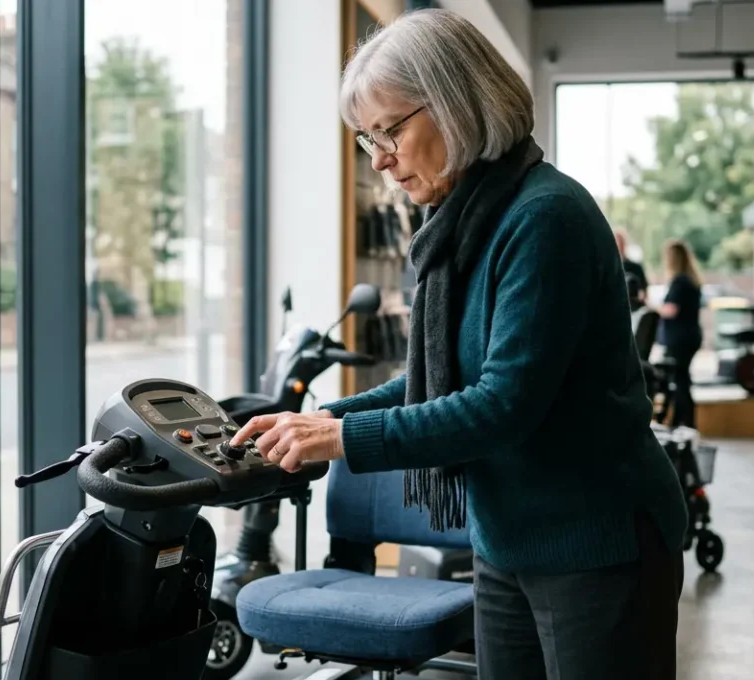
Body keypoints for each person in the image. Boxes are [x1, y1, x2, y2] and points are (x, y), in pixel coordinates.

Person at [229, 9, 687, 679]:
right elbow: (436, 387)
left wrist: (339, 441)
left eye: (390, 131)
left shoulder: (543, 217)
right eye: (366, 139)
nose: (380, 159)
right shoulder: (459, 225)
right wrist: (325, 421)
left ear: (457, 103)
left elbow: (501, 405)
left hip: (597, 541)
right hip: (507, 539)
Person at [657, 239, 704, 428]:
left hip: (680, 338)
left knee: (680, 381)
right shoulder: (691, 280)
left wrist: (651, 307)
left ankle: (686, 424)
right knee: (681, 380)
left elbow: (671, 310)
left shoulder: (680, 282)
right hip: (690, 336)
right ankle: (681, 422)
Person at [614, 228, 649, 300]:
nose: (618, 245)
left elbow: (644, 292)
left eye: (621, 242)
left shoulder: (636, 267)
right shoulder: (609, 269)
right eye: (616, 242)